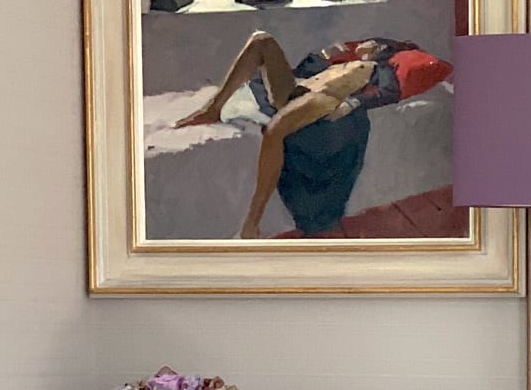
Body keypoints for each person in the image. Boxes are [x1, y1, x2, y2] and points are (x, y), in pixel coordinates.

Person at [175, 31, 452, 238]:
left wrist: (351, 105)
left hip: (325, 98)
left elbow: (387, 93)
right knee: (261, 41)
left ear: (382, 50)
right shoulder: (346, 58)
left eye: (373, 43)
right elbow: (308, 67)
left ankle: (252, 223)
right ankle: (213, 108)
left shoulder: (376, 69)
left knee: (275, 131)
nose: (364, 43)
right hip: (300, 88)